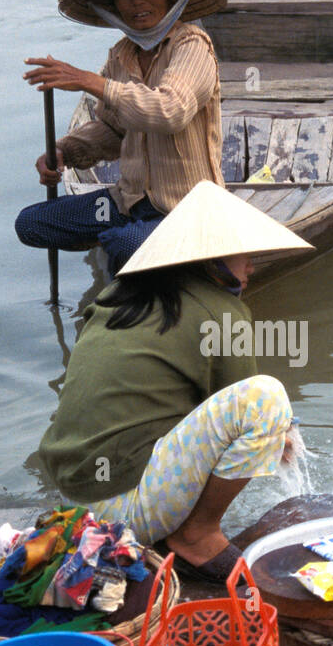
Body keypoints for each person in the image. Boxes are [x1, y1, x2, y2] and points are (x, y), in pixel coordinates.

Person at [37, 181, 313, 583]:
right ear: (211, 259)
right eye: (244, 254)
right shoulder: (223, 311)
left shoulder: (116, 296)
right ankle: (196, 535)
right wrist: (282, 436)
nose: (251, 265)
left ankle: (172, 526)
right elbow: (248, 413)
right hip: (123, 509)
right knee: (267, 400)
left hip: (70, 495)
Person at [15, 0, 228, 275]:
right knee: (32, 223)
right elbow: (114, 131)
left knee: (125, 245)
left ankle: (141, 247)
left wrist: (90, 81)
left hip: (186, 208)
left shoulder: (192, 46)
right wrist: (64, 153)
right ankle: (138, 245)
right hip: (127, 202)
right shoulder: (122, 54)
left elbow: (170, 111)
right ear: (113, 4)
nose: (136, 1)